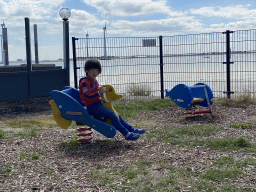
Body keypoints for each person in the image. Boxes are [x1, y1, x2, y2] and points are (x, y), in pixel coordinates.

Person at [79, 59, 145, 141]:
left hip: (98, 103)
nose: (95, 72)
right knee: (112, 115)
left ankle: (132, 129)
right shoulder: (85, 82)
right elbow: (87, 95)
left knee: (116, 114)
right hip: (92, 106)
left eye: (97, 70)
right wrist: (99, 92)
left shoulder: (94, 81)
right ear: (86, 70)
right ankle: (127, 134)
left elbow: (95, 90)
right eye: (92, 70)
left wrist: (101, 89)